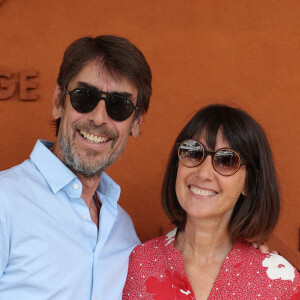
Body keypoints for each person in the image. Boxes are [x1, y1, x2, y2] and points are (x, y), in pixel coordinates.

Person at [0, 35, 152, 299]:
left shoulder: (123, 230)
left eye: (119, 105)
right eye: (85, 97)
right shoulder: (4, 202)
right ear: (59, 100)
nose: (98, 118)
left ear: (136, 122)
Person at [123, 104, 300, 299]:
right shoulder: (140, 262)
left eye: (226, 160)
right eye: (193, 152)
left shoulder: (279, 282)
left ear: (248, 183)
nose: (204, 173)